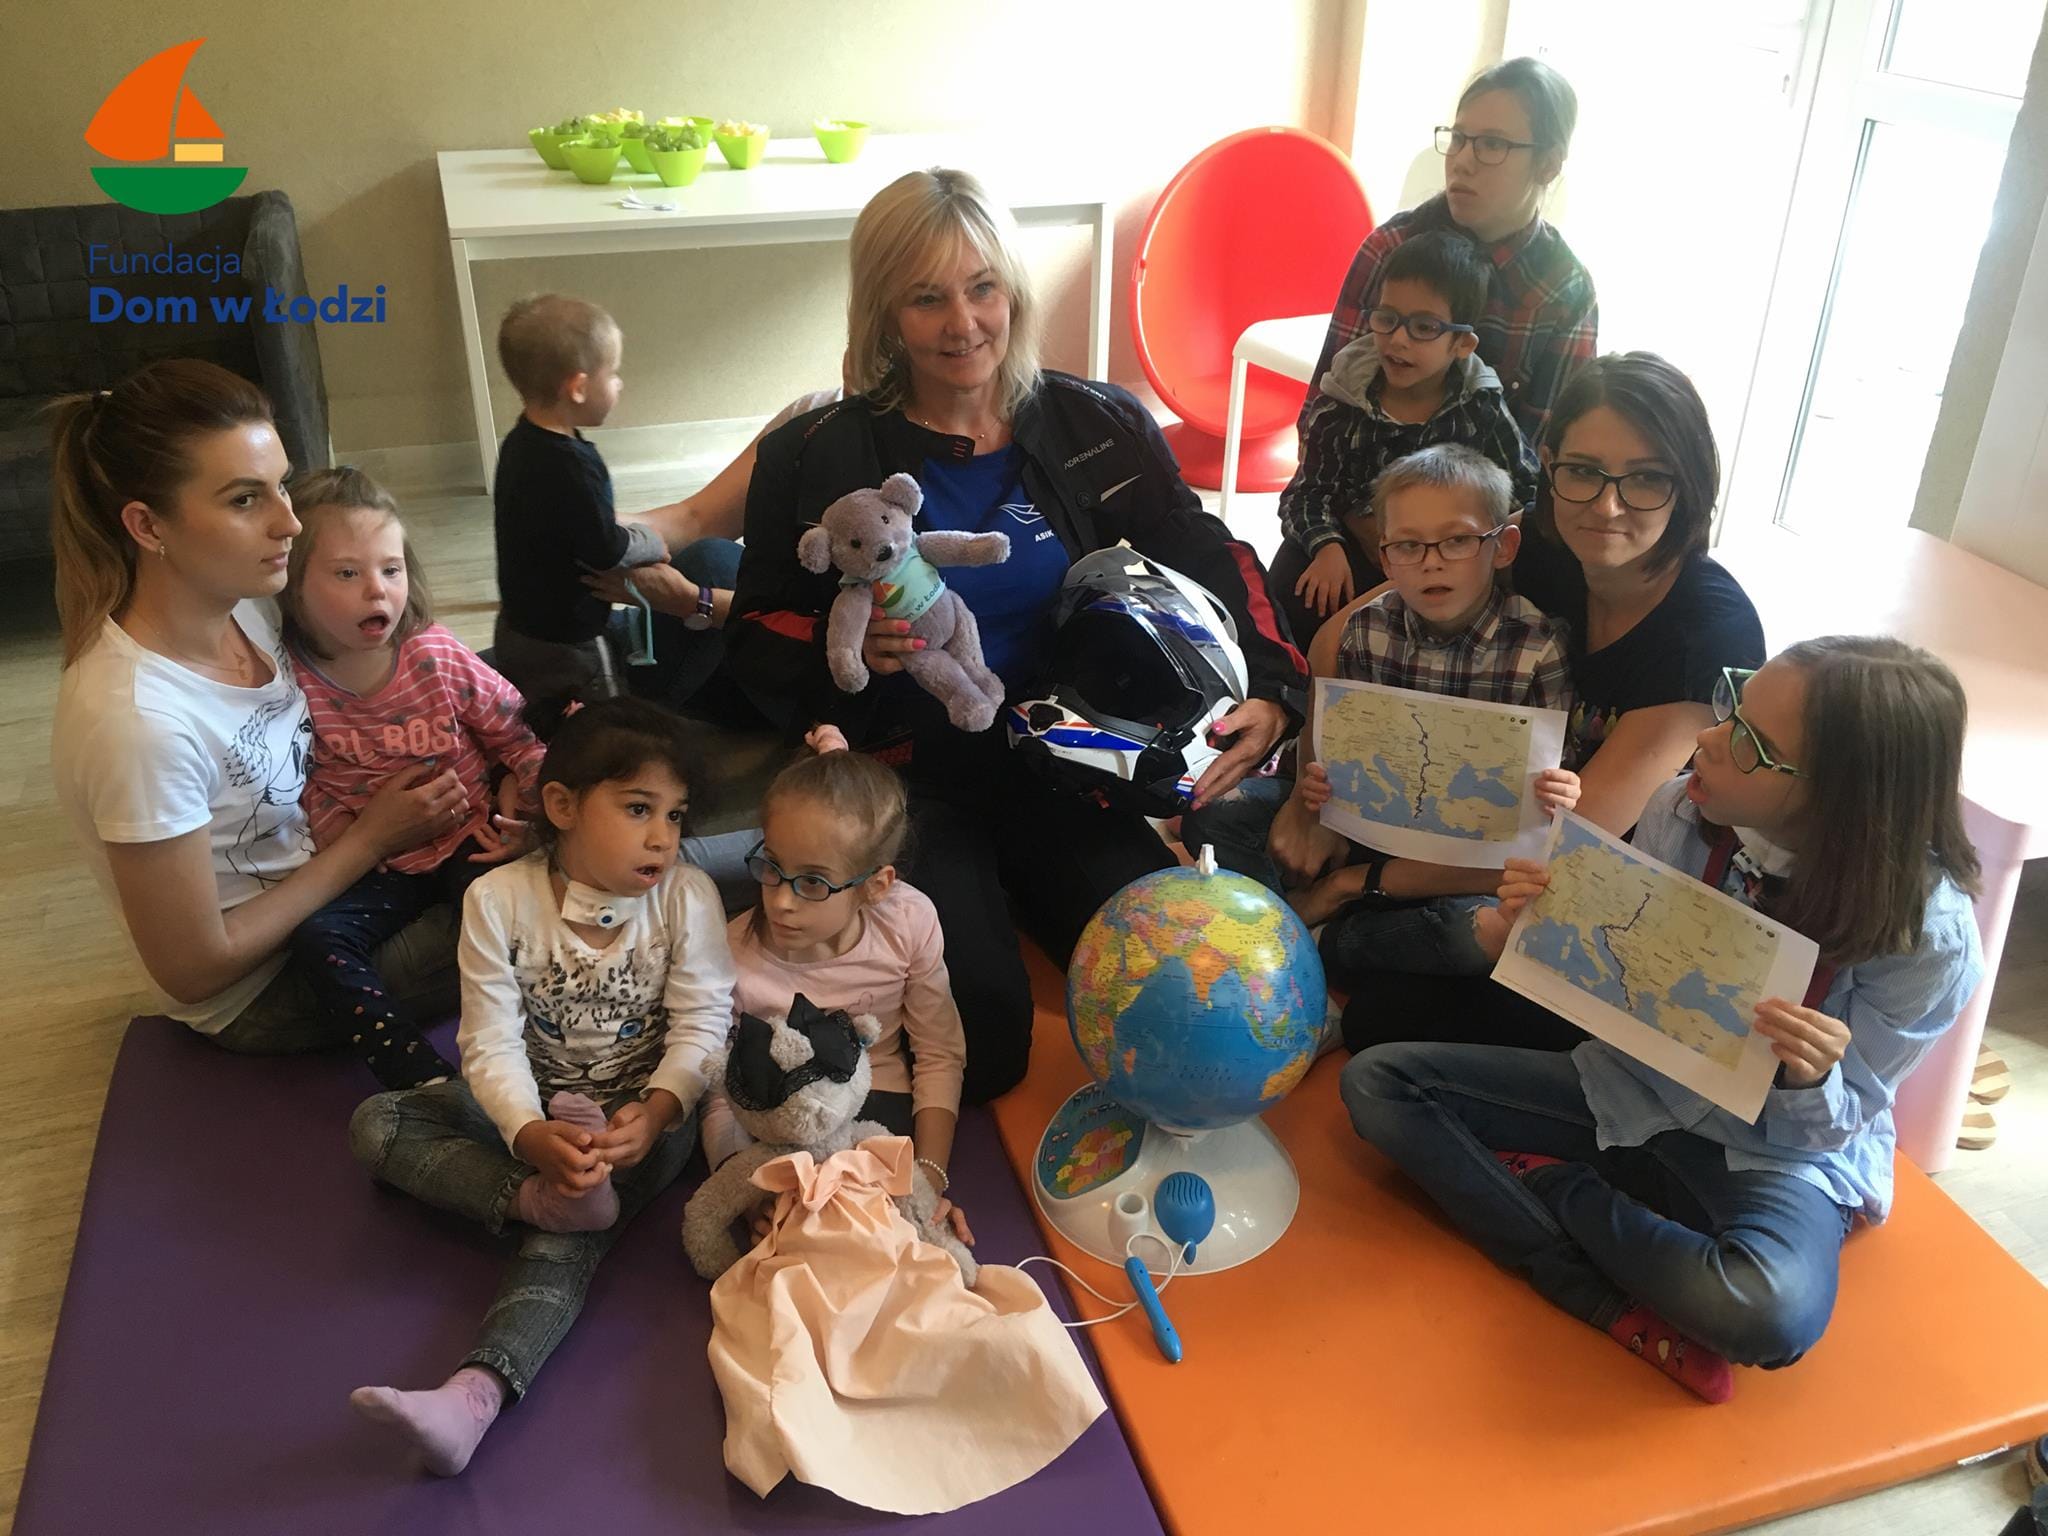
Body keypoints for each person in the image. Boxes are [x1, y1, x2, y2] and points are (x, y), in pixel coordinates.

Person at [724, 167, 1305, 1101]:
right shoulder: (816, 452)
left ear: (1014, 293)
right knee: (987, 1049)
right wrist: (846, 654)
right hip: (907, 780)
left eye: (982, 287)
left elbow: (1208, 548)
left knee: (1193, 978)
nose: (963, 323)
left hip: (1060, 766)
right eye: (927, 298)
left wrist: (1275, 687)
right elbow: (755, 624)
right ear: (884, 314)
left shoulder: (1096, 422)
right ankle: (774, 891)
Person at [1341, 637, 1984, 1402]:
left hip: (1765, 1153)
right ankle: (1590, 1287)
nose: (1709, 737)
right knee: (1379, 1084)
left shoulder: (1930, 938)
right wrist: (1544, 926)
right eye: (1732, 705)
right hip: (1628, 1086)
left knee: (1768, 1312)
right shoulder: (1682, 809)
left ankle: (1552, 1188)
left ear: (1842, 796)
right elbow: (1620, 986)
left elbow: (1840, 1125)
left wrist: (1809, 1078)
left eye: (1750, 744)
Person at [1294, 351, 1767, 1051]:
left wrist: (1359, 882)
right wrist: (1309, 804)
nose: (1606, 506)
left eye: (1646, 478)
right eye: (1582, 471)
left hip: (1582, 885)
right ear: (1548, 463)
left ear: (1689, 485)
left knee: (1387, 1019)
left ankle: (1346, 935)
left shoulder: (1706, 635)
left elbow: (1564, 849)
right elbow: (1335, 639)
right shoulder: (1539, 537)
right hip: (1455, 821)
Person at [346, 697, 736, 1475]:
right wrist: (527, 1135)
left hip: (637, 1121)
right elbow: (488, 1041)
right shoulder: (497, 900)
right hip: (527, 1108)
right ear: (561, 805)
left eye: (675, 814)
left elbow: (705, 1021)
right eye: (638, 809)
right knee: (377, 1122)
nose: (663, 836)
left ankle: (477, 1392)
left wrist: (657, 1110)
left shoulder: (687, 896)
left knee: (571, 1237)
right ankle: (532, 1199)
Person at [48, 360, 469, 1052]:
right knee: (570, 897)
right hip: (272, 984)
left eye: (281, 486)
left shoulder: (248, 603)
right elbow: (193, 971)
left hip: (348, 883)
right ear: (147, 525)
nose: (290, 522)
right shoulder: (137, 724)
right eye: (245, 500)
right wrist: (369, 840)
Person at [1198, 445, 1576, 988]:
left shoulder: (1539, 649)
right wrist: (1316, 790)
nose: (1431, 561)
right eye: (1408, 545)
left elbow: (1553, 787)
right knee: (1219, 814)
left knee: (1475, 930)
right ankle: (1284, 930)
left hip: (1455, 863)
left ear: (1503, 547)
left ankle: (1312, 943)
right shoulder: (1365, 628)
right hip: (1366, 827)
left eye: (1458, 540)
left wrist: (1563, 790)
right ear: (1384, 557)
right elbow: (1338, 748)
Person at [279, 467, 546, 1088]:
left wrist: (527, 820)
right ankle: (421, 1078)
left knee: (510, 918)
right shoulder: (289, 681)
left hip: (472, 837)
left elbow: (521, 738)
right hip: (379, 868)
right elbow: (305, 788)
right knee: (316, 939)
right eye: (347, 573)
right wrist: (351, 850)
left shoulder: (435, 654)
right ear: (294, 588)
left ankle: (538, 1047)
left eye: (391, 569)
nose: (377, 590)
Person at [701, 731, 975, 1247]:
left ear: (875, 885)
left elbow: (939, 1052)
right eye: (772, 868)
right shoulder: (730, 953)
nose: (781, 901)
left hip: (877, 1101)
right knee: (800, 1245)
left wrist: (928, 1177)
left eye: (813, 882)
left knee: (892, 1241)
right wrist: (745, 1187)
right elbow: (720, 1090)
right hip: (775, 1120)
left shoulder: (908, 922)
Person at [1303, 56, 1596, 460]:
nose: (1461, 161)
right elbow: (1320, 414)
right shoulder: (1391, 247)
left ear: (1547, 165)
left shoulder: (1565, 290)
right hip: (1355, 483)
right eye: (1458, 138)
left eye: (1492, 144)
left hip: (1488, 496)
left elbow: (1549, 456)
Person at [1271, 230, 1540, 648]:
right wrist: (1327, 546)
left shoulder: (1482, 408)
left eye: (1424, 327)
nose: (1398, 339)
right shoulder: (1342, 406)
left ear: (1462, 343)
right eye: (1387, 318)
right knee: (1293, 591)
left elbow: (1527, 490)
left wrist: (1470, 542)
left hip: (1446, 555)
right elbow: (1305, 494)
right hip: (1358, 548)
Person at [489, 293, 717, 716]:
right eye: (612, 373)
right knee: (603, 719)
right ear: (578, 388)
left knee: (535, 711)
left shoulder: (519, 443)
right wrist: (649, 541)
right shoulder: (575, 466)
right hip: (570, 640)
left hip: (516, 627)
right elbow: (605, 549)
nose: (618, 384)